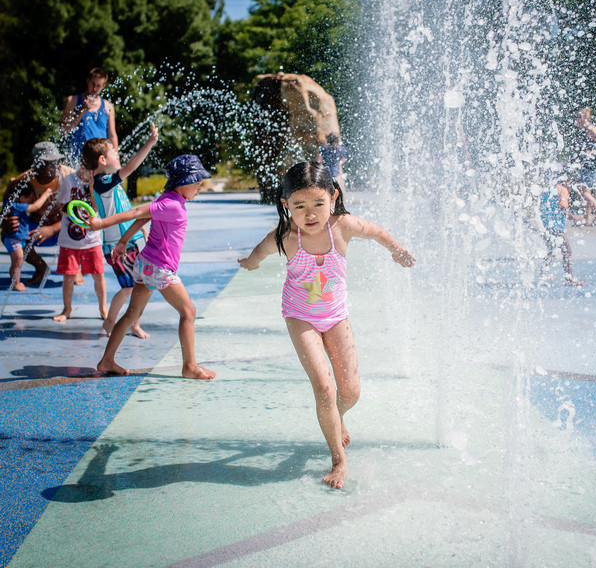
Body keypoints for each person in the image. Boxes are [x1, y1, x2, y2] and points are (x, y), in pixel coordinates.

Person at [237, 161, 415, 489]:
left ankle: (336, 418)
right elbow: (259, 252)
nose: (310, 213)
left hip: (336, 316)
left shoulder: (342, 227)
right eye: (300, 206)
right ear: (285, 204)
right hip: (300, 316)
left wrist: (396, 251)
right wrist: (250, 262)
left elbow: (376, 231)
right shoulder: (286, 237)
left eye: (319, 204)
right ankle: (338, 459)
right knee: (325, 389)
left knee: (350, 392)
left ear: (333, 198)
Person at [86, 154, 216, 380]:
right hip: (158, 268)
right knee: (188, 311)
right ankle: (190, 367)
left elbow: (144, 218)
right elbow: (136, 212)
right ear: (183, 182)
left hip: (145, 265)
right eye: (197, 183)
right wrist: (101, 224)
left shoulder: (168, 199)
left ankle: (107, 360)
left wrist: (124, 241)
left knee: (131, 314)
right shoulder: (172, 204)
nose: (199, 188)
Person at [83, 123, 159, 339]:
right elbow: (131, 167)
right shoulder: (103, 181)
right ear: (102, 160)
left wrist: (140, 229)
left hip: (130, 241)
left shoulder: (107, 183)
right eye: (114, 153)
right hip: (117, 246)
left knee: (142, 285)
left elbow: (123, 209)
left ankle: (134, 324)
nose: (118, 155)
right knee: (129, 287)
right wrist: (149, 143)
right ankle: (110, 321)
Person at [2, 142, 74, 285]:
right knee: (10, 233)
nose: (54, 167)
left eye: (56, 162)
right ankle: (41, 267)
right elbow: (7, 206)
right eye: (48, 163)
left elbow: (79, 211)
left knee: (80, 227)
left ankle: (73, 269)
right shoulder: (24, 180)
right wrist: (5, 221)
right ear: (37, 165)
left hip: (63, 227)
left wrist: (52, 229)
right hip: (35, 228)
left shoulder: (70, 176)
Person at [53, 164, 107, 322]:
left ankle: (103, 308)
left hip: (92, 240)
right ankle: (67, 309)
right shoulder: (69, 181)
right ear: (81, 166)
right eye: (86, 168)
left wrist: (91, 186)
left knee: (98, 275)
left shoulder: (98, 181)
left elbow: (96, 209)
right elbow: (63, 207)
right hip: (69, 240)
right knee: (68, 276)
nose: (88, 172)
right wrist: (76, 209)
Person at [60, 68, 119, 165]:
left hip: (100, 161)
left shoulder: (108, 106)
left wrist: (116, 159)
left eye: (98, 86)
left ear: (103, 86)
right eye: (93, 84)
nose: (95, 89)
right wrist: (82, 110)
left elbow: (112, 136)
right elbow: (65, 130)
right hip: (78, 159)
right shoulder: (73, 101)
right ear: (88, 81)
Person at [2, 185, 53, 291]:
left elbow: (4, 197)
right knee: (17, 261)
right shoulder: (17, 205)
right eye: (30, 198)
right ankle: (16, 284)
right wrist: (46, 194)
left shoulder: (9, 202)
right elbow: (35, 207)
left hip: (17, 239)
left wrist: (11, 184)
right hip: (14, 239)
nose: (32, 200)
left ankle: (16, 282)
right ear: (22, 198)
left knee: (18, 261)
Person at [539, 172, 584, 286]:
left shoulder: (547, 189)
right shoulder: (562, 190)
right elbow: (563, 206)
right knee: (567, 251)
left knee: (551, 250)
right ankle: (569, 278)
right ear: (567, 179)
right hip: (556, 227)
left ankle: (543, 274)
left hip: (545, 225)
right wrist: (574, 219)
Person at [572, 107, 596, 226]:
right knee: (584, 191)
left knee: (584, 192)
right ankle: (586, 218)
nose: (577, 119)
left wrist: (590, 151)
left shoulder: (590, 128)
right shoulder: (585, 129)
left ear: (586, 118)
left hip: (589, 165)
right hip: (585, 165)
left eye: (579, 117)